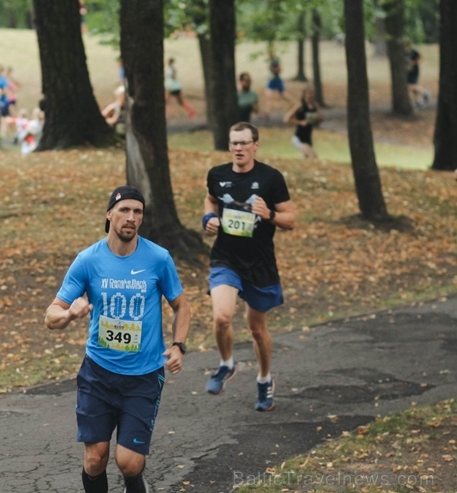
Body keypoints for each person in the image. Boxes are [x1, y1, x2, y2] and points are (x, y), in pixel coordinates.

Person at [45, 185, 190, 493]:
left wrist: (178, 345)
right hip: (98, 374)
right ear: (109, 214)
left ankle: (136, 484)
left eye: (138, 212)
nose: (131, 217)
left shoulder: (158, 258)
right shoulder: (88, 260)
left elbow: (181, 305)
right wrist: (70, 313)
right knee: (95, 459)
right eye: (124, 210)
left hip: (143, 376)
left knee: (129, 462)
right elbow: (51, 316)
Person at [202, 122, 296, 412]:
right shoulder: (217, 175)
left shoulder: (271, 178)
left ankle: (265, 378)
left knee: (257, 329)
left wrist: (269, 214)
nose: (239, 148)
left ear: (256, 145)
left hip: (259, 262)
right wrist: (208, 219)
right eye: (234, 143)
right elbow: (210, 199)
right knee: (222, 317)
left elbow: (291, 219)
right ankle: (227, 363)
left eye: (244, 143)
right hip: (226, 258)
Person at [284, 85, 323, 160]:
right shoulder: (300, 105)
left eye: (312, 93)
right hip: (299, 138)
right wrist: (300, 122)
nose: (310, 95)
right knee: (314, 157)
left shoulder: (315, 106)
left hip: (308, 139)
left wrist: (318, 119)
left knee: (305, 158)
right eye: (308, 93)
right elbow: (286, 119)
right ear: (304, 94)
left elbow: (319, 122)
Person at [263, 48, 290, 117]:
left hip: (276, 79)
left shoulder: (276, 61)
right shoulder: (270, 61)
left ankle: (292, 105)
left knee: (283, 94)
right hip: (272, 79)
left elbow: (279, 69)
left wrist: (275, 69)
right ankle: (267, 112)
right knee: (269, 96)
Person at [403, 40, 430, 109]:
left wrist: (414, 63)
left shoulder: (413, 52)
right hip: (407, 72)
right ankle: (418, 101)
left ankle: (425, 92)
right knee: (413, 87)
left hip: (414, 71)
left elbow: (420, 58)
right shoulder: (403, 53)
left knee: (411, 86)